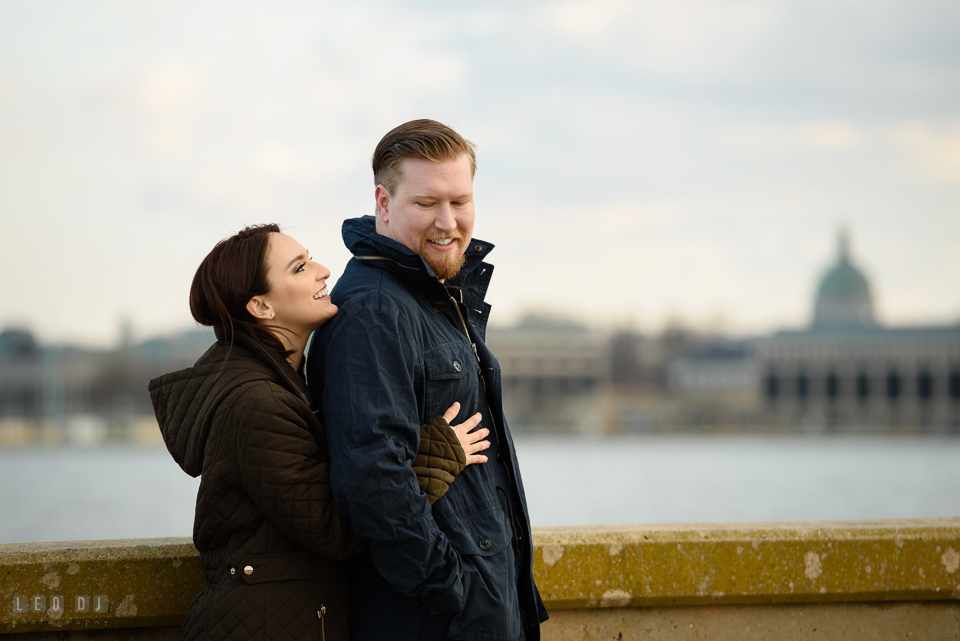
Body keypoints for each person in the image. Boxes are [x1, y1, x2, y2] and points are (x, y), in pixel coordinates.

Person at [148, 224, 489, 641]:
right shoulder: (256, 405)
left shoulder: (279, 384)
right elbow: (335, 529)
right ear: (261, 306)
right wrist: (437, 455)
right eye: (300, 268)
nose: (323, 270)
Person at [306, 120, 549, 641]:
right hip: (434, 621)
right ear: (384, 203)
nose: (448, 221)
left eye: (460, 201)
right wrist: (453, 589)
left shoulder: (431, 298)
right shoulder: (375, 311)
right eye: (426, 204)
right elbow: (374, 481)